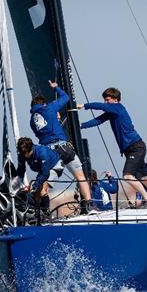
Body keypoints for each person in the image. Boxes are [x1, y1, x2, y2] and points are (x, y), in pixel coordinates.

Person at [78, 87, 147, 206]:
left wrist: (84, 105)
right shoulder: (112, 113)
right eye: (105, 100)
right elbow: (98, 120)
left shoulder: (118, 108)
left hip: (136, 146)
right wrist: (81, 125)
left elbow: (101, 106)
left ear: (116, 99)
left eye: (107, 100)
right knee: (142, 175)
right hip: (130, 149)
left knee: (127, 175)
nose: (105, 102)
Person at [30, 80, 92, 213]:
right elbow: (66, 98)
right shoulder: (49, 108)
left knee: (44, 182)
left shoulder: (32, 121)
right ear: (43, 103)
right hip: (64, 147)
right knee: (80, 177)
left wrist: (55, 120)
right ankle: (89, 205)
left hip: (49, 152)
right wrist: (56, 88)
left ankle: (44, 212)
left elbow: (45, 129)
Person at [14, 137, 61, 217]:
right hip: (42, 169)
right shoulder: (22, 154)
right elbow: (21, 170)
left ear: (31, 149)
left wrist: (34, 185)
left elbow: (45, 174)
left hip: (54, 166)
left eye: (26, 154)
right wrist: (18, 184)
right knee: (35, 193)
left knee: (41, 190)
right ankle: (38, 214)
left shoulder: (42, 153)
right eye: (22, 154)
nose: (25, 156)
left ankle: (47, 213)